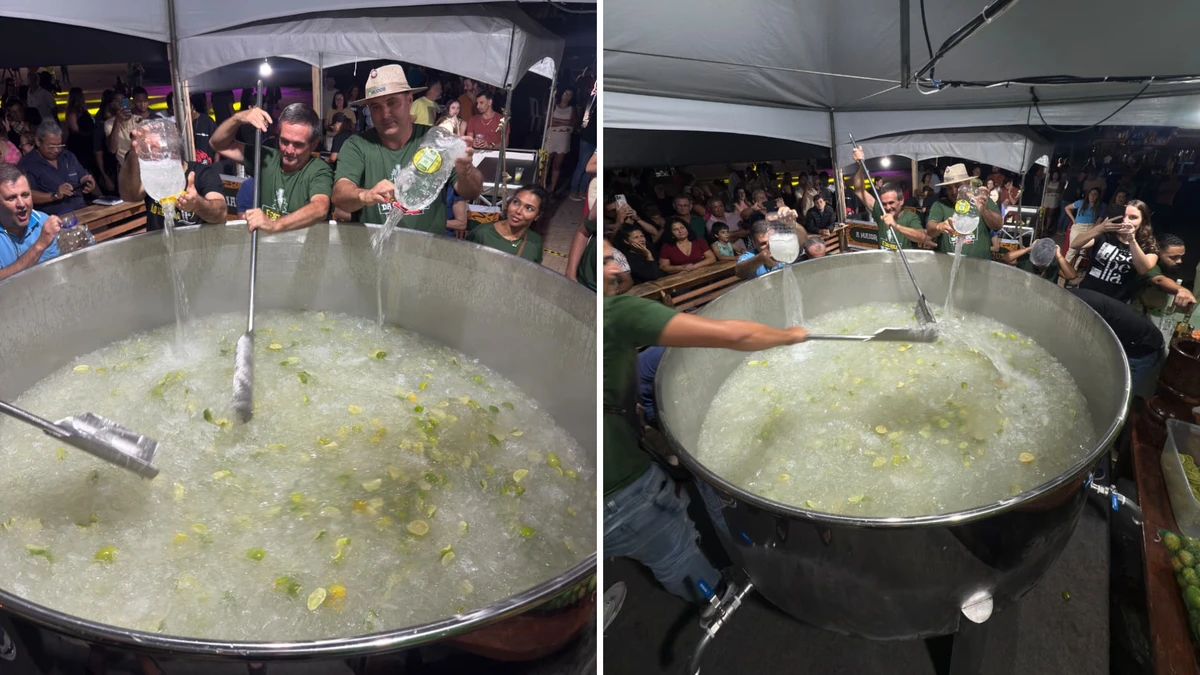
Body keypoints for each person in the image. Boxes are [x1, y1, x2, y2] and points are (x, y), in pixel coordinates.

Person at [603, 238, 809, 604]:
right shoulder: (616, 312)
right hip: (621, 487)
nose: (616, 268)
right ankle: (716, 599)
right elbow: (735, 335)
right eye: (605, 261)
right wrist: (790, 336)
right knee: (674, 553)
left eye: (615, 259)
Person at [332, 65, 482, 233]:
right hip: (374, 247)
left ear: (409, 100)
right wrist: (365, 195)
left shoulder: (436, 140)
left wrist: (466, 172)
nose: (385, 114)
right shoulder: (358, 144)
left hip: (428, 248)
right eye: (375, 107)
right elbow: (340, 195)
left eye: (392, 102)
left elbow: (472, 192)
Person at [210, 103, 332, 234]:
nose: (289, 150)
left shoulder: (319, 170)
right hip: (266, 246)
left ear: (313, 144)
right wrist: (237, 118)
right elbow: (217, 144)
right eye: (284, 141)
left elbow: (320, 208)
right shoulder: (267, 158)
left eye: (298, 144)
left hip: (304, 247)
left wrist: (275, 225)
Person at [119, 121, 226, 232]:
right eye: (148, 155)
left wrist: (197, 204)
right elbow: (130, 196)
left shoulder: (203, 173)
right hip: (158, 242)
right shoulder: (151, 175)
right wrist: (134, 153)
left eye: (158, 152)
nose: (153, 159)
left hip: (197, 241)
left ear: (174, 150)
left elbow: (221, 214)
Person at [1069, 288, 1164, 397]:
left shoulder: (1080, 307)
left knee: (1124, 393)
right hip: (1124, 339)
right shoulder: (1072, 296)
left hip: (1143, 347)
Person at [1071, 199, 1159, 301]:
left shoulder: (1148, 244)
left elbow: (1143, 269)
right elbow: (1075, 244)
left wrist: (1132, 240)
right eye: (1123, 216)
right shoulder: (1106, 234)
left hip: (1114, 301)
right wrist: (1099, 229)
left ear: (1143, 221)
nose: (1126, 221)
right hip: (1087, 293)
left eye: (1133, 217)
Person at [851, 147, 930, 250]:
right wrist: (860, 166)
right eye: (884, 203)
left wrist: (896, 226)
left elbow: (922, 237)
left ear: (901, 200)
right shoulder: (880, 211)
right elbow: (859, 190)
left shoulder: (910, 217)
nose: (887, 207)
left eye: (891, 203)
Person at [924, 163, 1002, 259]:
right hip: (948, 264)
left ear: (968, 183)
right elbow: (930, 229)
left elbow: (998, 225)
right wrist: (938, 226)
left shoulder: (982, 200)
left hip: (980, 266)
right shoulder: (941, 205)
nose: (954, 192)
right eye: (949, 188)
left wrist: (984, 210)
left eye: (958, 186)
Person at [17, 120, 95, 216]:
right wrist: (55, 195)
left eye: (59, 145)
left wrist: (88, 182)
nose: (56, 150)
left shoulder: (68, 156)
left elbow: (83, 175)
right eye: (51, 146)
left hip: (81, 211)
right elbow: (27, 195)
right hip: (54, 218)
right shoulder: (27, 164)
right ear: (38, 141)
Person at [0, 164, 61, 280]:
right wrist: (40, 245)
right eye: (11, 198)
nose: (22, 204)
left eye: (25, 195)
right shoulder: (45, 232)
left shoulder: (43, 222)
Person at [468, 185, 546, 263]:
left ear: (537, 216)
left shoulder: (535, 241)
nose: (518, 211)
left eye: (529, 208)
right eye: (516, 202)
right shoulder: (482, 234)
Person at [542, 88, 575, 195]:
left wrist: (556, 121)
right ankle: (542, 185)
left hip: (563, 138)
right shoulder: (553, 106)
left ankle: (552, 188)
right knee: (545, 163)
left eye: (569, 95)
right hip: (551, 136)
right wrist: (564, 122)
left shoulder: (572, 109)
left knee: (557, 165)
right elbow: (549, 122)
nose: (567, 96)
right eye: (565, 93)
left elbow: (572, 123)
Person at [999, 238, 1076, 283]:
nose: (1039, 266)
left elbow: (1071, 276)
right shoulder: (1026, 260)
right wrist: (1029, 248)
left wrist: (1059, 256)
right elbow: (1006, 258)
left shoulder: (1054, 264)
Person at [106, 87, 149, 166]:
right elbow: (112, 149)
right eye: (117, 100)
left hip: (141, 163)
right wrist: (117, 122)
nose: (120, 103)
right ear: (113, 104)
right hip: (123, 165)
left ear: (129, 102)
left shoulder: (138, 119)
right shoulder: (109, 124)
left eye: (123, 100)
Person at [568, 82, 596, 202]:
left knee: (587, 167)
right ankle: (575, 190)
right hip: (589, 138)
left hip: (590, 138)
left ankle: (580, 190)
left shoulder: (593, 99)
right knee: (584, 166)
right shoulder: (594, 99)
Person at [1063, 187, 1104, 266]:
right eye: (1091, 194)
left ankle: (1075, 268)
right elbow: (1067, 208)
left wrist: (1094, 230)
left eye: (1095, 194)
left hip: (1091, 227)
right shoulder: (1081, 202)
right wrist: (1073, 219)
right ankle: (1064, 268)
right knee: (1072, 249)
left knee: (1083, 251)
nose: (1092, 196)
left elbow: (1100, 219)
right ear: (1088, 194)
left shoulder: (1100, 206)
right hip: (1078, 227)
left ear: (1098, 196)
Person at [189, 93, 217, 165]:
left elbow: (217, 146)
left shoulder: (208, 122)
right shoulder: (181, 124)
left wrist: (216, 166)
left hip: (207, 166)